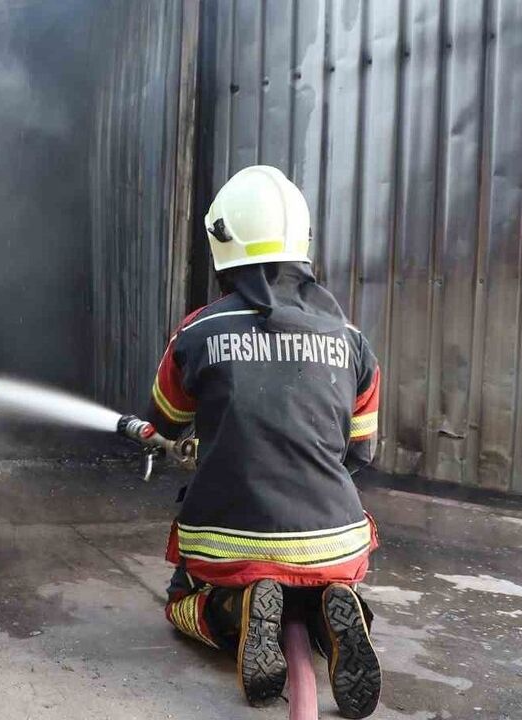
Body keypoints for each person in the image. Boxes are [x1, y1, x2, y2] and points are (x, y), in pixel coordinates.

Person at [148, 165, 382, 718]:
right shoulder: (353, 342)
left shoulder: (197, 333)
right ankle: (335, 611)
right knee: (321, 577)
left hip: (229, 539)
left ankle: (234, 610)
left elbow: (166, 418)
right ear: (301, 243)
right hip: (333, 539)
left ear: (221, 242)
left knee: (182, 600)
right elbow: (362, 453)